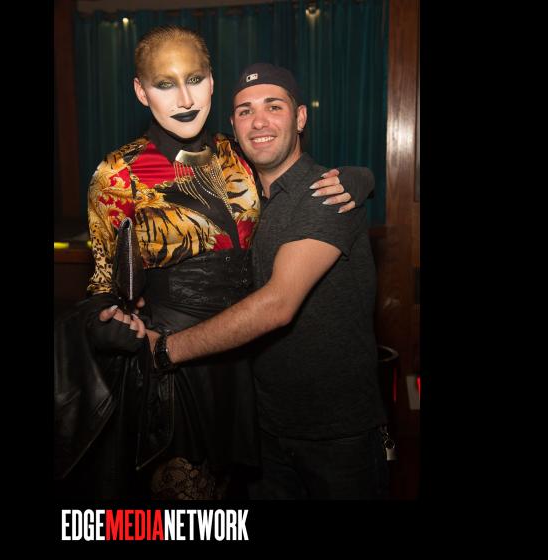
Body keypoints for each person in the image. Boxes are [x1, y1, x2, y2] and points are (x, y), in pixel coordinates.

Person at [54, 28, 373, 501]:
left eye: (194, 79)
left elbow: (288, 168)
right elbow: (103, 283)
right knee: (187, 515)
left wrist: (357, 178)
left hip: (245, 371)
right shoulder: (118, 173)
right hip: (171, 368)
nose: (184, 99)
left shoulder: (236, 155)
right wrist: (107, 325)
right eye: (165, 84)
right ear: (141, 91)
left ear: (211, 83)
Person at [143, 63, 389, 499]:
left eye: (274, 107)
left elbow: (277, 305)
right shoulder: (238, 204)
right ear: (234, 128)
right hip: (262, 431)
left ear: (300, 118)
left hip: (337, 436)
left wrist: (165, 350)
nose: (259, 121)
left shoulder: (327, 194)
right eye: (245, 111)